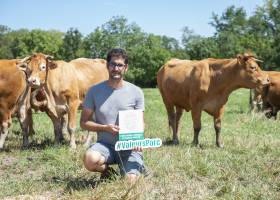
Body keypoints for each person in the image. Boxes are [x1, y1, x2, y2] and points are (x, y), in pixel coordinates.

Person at [80, 48, 146, 184]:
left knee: (130, 182)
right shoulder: (94, 91)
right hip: (105, 146)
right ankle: (108, 172)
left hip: (128, 147)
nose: (116, 68)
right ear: (107, 66)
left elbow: (141, 122)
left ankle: (137, 168)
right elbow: (84, 122)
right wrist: (105, 128)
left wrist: (138, 139)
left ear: (126, 68)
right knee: (89, 159)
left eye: (120, 65)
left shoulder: (136, 92)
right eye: (113, 64)